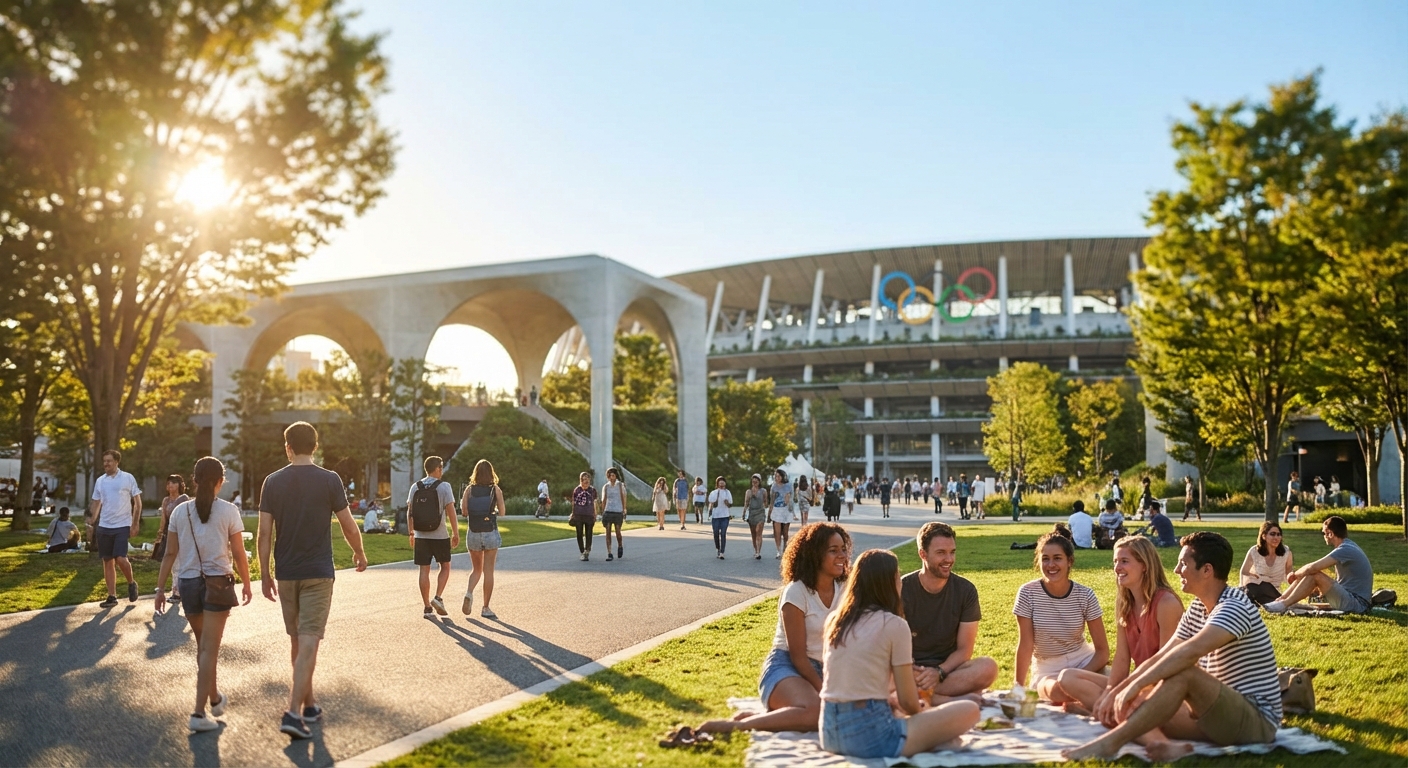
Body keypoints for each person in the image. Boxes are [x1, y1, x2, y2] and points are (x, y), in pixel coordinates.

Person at [1062, 532, 1281, 762]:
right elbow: (1163, 655)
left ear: (1207, 570)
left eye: (1183, 564)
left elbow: (1189, 652)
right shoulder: (1198, 607)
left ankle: (1111, 743)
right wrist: (1121, 690)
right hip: (1214, 714)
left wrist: (1135, 686)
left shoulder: (1234, 606)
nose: (1176, 570)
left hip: (1256, 723)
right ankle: (1172, 748)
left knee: (1184, 672)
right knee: (1135, 703)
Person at [257, 421, 368, 740]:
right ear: (315, 447)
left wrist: (264, 573)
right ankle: (293, 712)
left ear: (288, 447)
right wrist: (359, 552)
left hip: (286, 572)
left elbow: (264, 534)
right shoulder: (330, 480)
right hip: (318, 572)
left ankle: (309, 706)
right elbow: (348, 524)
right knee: (308, 641)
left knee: (298, 640)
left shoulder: (272, 482)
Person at [818, 549, 981, 759]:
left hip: (829, 732)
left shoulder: (835, 621)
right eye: (897, 577)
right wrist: (923, 713)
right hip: (871, 737)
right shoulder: (894, 624)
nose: (900, 583)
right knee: (969, 710)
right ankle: (929, 740)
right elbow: (908, 702)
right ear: (889, 583)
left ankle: (927, 738)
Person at [696, 522, 851, 736]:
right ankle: (736, 726)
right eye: (833, 551)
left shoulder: (845, 590)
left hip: (827, 668)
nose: (842, 555)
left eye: (843, 549)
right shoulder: (796, 592)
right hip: (788, 666)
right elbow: (798, 657)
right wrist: (826, 691)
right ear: (814, 555)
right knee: (818, 713)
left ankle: (762, 716)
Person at [153, 457, 253, 732]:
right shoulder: (229, 511)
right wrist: (247, 582)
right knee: (209, 649)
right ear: (220, 482)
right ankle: (198, 714)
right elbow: (239, 553)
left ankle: (215, 698)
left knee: (203, 647)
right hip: (218, 583)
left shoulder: (179, 512)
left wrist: (160, 589)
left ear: (194, 481)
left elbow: (170, 553)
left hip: (187, 585)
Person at [1052, 536, 1183, 715]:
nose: (1117, 568)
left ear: (1144, 565)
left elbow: (1165, 664)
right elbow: (1121, 659)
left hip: (1162, 685)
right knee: (1067, 677)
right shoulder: (1125, 603)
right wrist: (1110, 692)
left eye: (1124, 561)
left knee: (1130, 702)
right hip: (1136, 681)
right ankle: (1108, 710)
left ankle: (1103, 711)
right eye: (1115, 561)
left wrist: (1128, 690)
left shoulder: (1166, 603)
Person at [901, 523, 999, 704]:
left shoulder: (966, 590)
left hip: (948, 670)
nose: (949, 559)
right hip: (909, 669)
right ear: (923, 554)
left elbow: (965, 650)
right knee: (882, 673)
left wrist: (938, 672)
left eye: (952, 552)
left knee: (988, 667)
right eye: (941, 553)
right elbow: (893, 647)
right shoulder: (901, 589)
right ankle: (946, 698)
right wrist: (915, 672)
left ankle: (924, 696)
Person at [1013, 526, 1109, 703]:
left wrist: (1077, 677)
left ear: (1069, 561)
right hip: (1047, 669)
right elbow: (1025, 644)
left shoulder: (1085, 595)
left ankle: (1094, 706)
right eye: (1045, 559)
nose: (1051, 565)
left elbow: (1102, 651)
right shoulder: (1027, 593)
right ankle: (1093, 705)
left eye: (1057, 558)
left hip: (1083, 661)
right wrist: (1018, 686)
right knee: (1058, 692)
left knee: (1115, 683)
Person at [1264, 515, 1373, 615]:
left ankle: (1283, 604)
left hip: (1358, 605)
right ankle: (1282, 600)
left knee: (1314, 574)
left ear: (1330, 533)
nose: (1323, 536)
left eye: (1324, 533)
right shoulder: (1348, 546)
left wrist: (1294, 575)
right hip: (1351, 599)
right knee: (1311, 574)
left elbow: (1313, 568)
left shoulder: (1345, 549)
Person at [407, 456, 460, 618]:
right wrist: (455, 533)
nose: (442, 471)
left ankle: (427, 607)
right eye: (441, 468)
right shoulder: (444, 487)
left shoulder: (415, 487)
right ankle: (437, 597)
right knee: (445, 566)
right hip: (440, 535)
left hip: (421, 535)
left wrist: (411, 533)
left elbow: (410, 513)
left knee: (424, 569)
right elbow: (451, 512)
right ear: (437, 469)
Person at [89, 449, 143, 607]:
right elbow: (97, 502)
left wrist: (135, 523)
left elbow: (138, 503)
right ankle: (112, 596)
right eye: (104, 461)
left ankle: (131, 583)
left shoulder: (127, 478)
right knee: (107, 561)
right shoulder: (100, 481)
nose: (106, 463)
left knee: (120, 558)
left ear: (117, 462)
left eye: (109, 461)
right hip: (104, 526)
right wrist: (92, 520)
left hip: (122, 525)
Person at [461, 459, 506, 619]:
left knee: (476, 570)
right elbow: (502, 512)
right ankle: (486, 608)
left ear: (476, 473)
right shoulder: (495, 489)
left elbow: (464, 511)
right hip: (490, 533)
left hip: (473, 532)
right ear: (491, 473)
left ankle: (469, 592)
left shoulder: (469, 490)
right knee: (488, 572)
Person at [154, 475, 192, 595]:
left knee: (180, 561)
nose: (170, 485)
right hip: (169, 533)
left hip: (182, 533)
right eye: (168, 483)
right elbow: (164, 519)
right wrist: (160, 533)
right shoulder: (166, 500)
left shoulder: (184, 498)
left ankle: (178, 591)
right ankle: (176, 590)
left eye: (173, 483)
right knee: (173, 562)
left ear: (180, 485)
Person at [1239, 522, 1293, 606]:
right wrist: (1253, 576)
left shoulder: (1286, 552)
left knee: (1263, 586)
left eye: (1278, 534)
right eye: (1272, 534)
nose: (1276, 537)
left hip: (1274, 591)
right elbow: (1244, 572)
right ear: (1264, 536)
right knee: (1252, 586)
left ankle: (1274, 603)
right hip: (1256, 588)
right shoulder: (1254, 551)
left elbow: (1289, 575)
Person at [600, 467, 628, 561]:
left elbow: (623, 497)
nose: (611, 477)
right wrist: (602, 511)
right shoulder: (606, 486)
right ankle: (609, 552)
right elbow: (604, 499)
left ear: (616, 476)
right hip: (608, 510)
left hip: (618, 510)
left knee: (617, 531)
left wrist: (624, 509)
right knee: (608, 531)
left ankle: (620, 545)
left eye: (613, 475)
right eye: (610, 475)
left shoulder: (620, 485)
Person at [570, 471, 598, 561]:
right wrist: (573, 513)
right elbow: (573, 503)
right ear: (581, 480)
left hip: (589, 515)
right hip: (578, 514)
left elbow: (595, 502)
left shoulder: (592, 490)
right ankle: (582, 551)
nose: (586, 481)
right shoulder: (577, 490)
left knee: (589, 533)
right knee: (579, 533)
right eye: (584, 479)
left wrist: (595, 513)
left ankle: (587, 550)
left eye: (588, 479)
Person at [770, 469, 795, 558]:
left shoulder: (789, 486)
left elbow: (792, 498)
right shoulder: (773, 487)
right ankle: (778, 550)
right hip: (777, 510)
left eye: (778, 476)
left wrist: (792, 510)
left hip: (786, 510)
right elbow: (772, 500)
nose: (777, 478)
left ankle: (785, 546)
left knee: (785, 532)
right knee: (777, 532)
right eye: (775, 476)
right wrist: (770, 512)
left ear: (783, 477)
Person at [743, 474, 769, 560]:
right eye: (753, 480)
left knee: (759, 532)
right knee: (753, 534)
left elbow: (766, 503)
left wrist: (766, 506)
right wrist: (743, 513)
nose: (755, 482)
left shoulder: (763, 491)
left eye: (756, 480)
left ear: (759, 481)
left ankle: (758, 552)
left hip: (760, 513)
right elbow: (746, 503)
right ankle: (755, 550)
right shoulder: (748, 492)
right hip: (752, 513)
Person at [707, 476, 733, 559]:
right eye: (720, 481)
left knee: (723, 533)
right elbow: (711, 501)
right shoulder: (714, 492)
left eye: (723, 481)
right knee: (715, 533)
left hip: (725, 516)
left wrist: (727, 503)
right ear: (717, 483)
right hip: (716, 516)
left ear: (725, 483)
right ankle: (717, 548)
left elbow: (730, 504)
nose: (721, 483)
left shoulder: (727, 492)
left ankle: (722, 552)